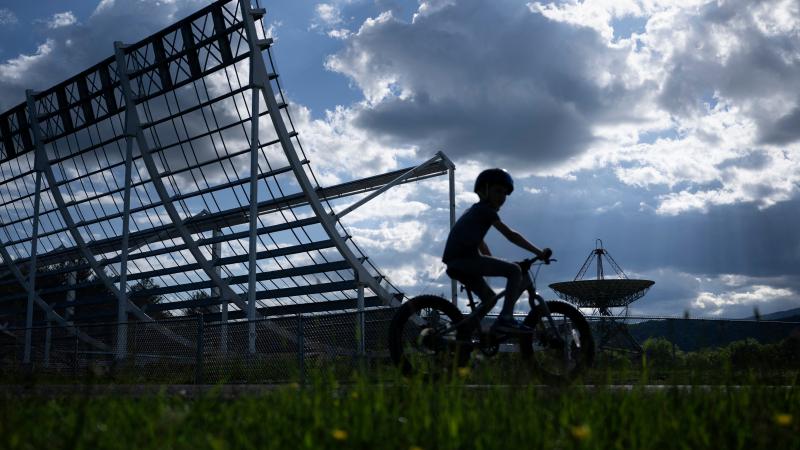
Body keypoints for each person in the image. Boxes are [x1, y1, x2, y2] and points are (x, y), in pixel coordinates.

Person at [442, 168, 551, 333]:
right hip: (464, 261)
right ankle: (506, 319)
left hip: (457, 263)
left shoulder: (474, 212)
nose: (502, 197)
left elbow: (480, 243)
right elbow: (511, 235)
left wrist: (494, 261)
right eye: (498, 191)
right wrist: (538, 253)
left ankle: (464, 333)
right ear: (484, 191)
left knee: (490, 299)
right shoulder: (485, 211)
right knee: (514, 271)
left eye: (505, 193)